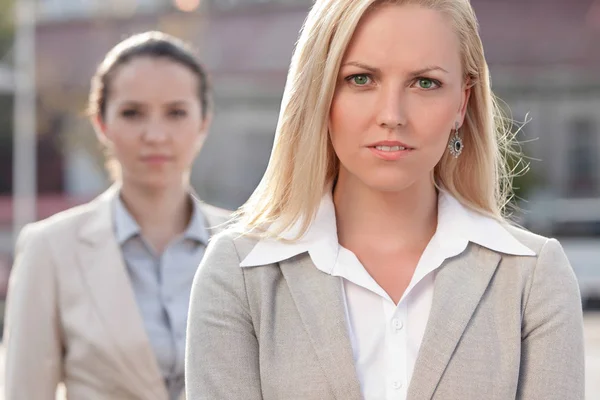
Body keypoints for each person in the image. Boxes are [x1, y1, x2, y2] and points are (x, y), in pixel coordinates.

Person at [185, 0, 585, 399]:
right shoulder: (238, 275)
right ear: (320, 94)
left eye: (424, 82)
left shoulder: (533, 279)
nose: (392, 115)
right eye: (361, 79)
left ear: (461, 104)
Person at [3, 31, 230, 400]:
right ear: (101, 123)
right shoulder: (50, 249)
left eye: (176, 113)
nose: (155, 135)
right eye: (132, 113)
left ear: (203, 121)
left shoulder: (247, 245)